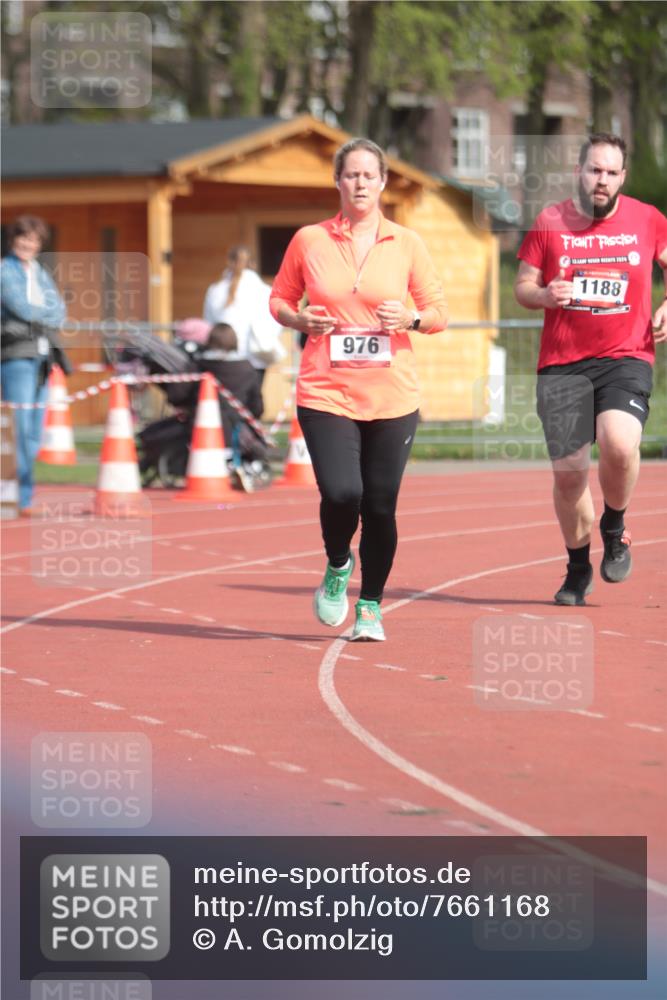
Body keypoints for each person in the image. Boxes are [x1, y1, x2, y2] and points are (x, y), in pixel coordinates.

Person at [269, 137, 448, 640]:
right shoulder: (309, 239)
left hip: (393, 395)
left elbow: (438, 312)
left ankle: (370, 606)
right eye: (351, 175)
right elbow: (279, 300)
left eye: (370, 175)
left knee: (381, 504)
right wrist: (299, 317)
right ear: (337, 182)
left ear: (384, 182)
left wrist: (411, 318)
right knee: (343, 492)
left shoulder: (407, 243)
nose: (361, 183)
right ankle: (336, 563)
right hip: (326, 390)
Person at [515, 133, 667, 605]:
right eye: (594, 170)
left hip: (626, 356)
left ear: (623, 176)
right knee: (569, 474)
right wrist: (543, 295)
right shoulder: (550, 221)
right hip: (562, 365)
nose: (602, 179)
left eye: (611, 172)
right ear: (579, 172)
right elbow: (524, 285)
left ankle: (615, 524)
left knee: (620, 444)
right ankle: (577, 568)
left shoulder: (647, 219)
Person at [1, 215, 68, 515]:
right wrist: (43, 315)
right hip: (16, 356)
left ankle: (24, 497)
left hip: (43, 357)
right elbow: (22, 308)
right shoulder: (4, 271)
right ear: (13, 240)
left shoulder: (40, 272)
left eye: (34, 240)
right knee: (18, 429)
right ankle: (18, 498)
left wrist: (43, 315)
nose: (28, 244)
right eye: (23, 238)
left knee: (33, 433)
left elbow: (59, 310)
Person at [203, 246, 285, 389]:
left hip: (222, 356)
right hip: (254, 358)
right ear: (253, 263)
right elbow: (275, 323)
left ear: (229, 262)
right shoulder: (263, 290)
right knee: (250, 404)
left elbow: (209, 322)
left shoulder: (215, 289)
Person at [198, 322, 265, 482]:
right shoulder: (247, 368)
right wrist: (255, 415)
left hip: (203, 421)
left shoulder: (201, 366)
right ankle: (247, 465)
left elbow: (184, 392)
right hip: (237, 419)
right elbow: (256, 402)